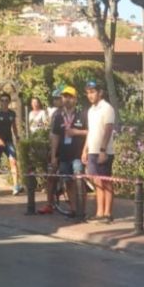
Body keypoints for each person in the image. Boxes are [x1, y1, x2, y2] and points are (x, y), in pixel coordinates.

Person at [50, 86, 88, 217]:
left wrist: (76, 132)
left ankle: (82, 210)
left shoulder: (82, 114)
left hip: (77, 154)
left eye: (70, 97)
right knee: (68, 182)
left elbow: (90, 132)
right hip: (64, 155)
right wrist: (54, 156)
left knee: (79, 182)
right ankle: (73, 208)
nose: (67, 99)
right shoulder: (58, 116)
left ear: (75, 99)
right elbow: (55, 136)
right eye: (65, 96)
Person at [82, 80, 115, 223]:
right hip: (92, 151)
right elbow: (91, 132)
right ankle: (99, 212)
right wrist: (85, 150)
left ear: (100, 92)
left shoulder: (107, 108)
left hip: (104, 151)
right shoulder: (90, 110)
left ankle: (107, 213)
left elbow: (108, 129)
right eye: (88, 92)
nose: (90, 95)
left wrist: (103, 150)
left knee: (106, 182)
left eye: (93, 92)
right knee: (97, 182)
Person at [0, 92, 23, 195]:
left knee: (13, 162)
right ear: (0, 102)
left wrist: (17, 136)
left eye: (6, 101)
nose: (4, 103)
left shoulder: (12, 113)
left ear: (9, 102)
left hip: (8, 142)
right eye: (2, 100)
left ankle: (15, 186)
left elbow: (14, 127)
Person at [37, 88, 64, 214]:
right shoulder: (55, 114)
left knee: (57, 176)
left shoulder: (65, 113)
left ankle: (52, 203)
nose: (55, 101)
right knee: (51, 177)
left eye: (58, 98)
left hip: (63, 149)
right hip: (55, 148)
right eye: (54, 99)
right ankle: (50, 203)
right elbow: (51, 133)